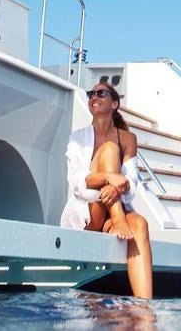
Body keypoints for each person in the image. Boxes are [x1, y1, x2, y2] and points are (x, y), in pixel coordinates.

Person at [61, 80, 154, 299]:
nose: (94, 97)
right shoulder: (77, 138)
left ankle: (145, 308)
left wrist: (114, 188)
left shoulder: (128, 139)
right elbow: (76, 181)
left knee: (140, 224)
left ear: (114, 103)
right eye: (91, 93)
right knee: (110, 149)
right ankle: (118, 218)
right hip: (90, 211)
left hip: (111, 211)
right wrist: (109, 177)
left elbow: (130, 181)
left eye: (101, 93)